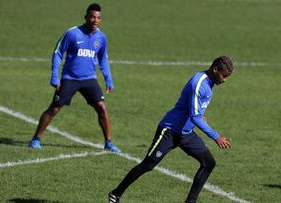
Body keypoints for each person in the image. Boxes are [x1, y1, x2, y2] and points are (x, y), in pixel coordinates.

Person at [108, 56, 234, 203]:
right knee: (148, 165)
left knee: (209, 163)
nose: (225, 80)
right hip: (169, 131)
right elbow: (194, 117)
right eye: (224, 75)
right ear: (215, 70)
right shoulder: (199, 83)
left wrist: (200, 115)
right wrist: (216, 137)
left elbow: (194, 110)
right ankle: (115, 194)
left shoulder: (210, 82)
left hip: (186, 134)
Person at [28, 3, 121, 153]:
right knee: (55, 108)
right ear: (86, 17)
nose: (95, 20)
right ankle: (35, 139)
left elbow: (103, 59)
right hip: (69, 78)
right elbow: (58, 53)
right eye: (92, 16)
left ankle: (109, 143)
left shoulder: (101, 37)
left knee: (102, 108)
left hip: (89, 79)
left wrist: (108, 79)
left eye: (98, 17)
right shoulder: (72, 33)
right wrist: (54, 76)